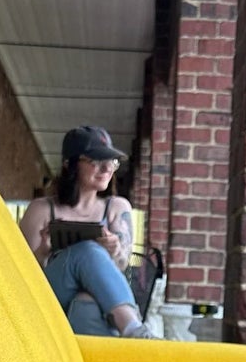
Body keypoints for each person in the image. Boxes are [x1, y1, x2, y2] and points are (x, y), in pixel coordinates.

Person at [19, 126, 150, 338]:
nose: (107, 167)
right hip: (49, 300)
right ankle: (134, 329)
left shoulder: (117, 207)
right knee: (87, 250)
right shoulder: (41, 210)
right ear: (69, 163)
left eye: (112, 162)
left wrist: (115, 251)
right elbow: (20, 277)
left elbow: (121, 266)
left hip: (93, 303)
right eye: (96, 161)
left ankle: (115, 360)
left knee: (85, 304)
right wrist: (43, 252)